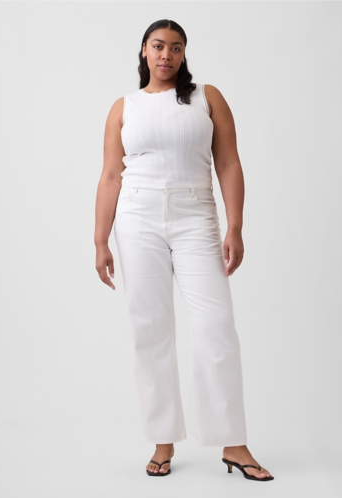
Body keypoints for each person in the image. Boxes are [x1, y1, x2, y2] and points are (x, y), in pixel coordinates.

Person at [94, 19, 273, 482]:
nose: (166, 55)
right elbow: (111, 175)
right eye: (158, 46)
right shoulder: (124, 107)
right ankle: (162, 439)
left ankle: (233, 441)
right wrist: (100, 240)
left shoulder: (207, 98)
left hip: (196, 214)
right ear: (144, 50)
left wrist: (235, 226)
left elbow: (228, 162)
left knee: (216, 325)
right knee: (149, 327)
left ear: (184, 53)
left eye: (176, 48)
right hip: (137, 217)